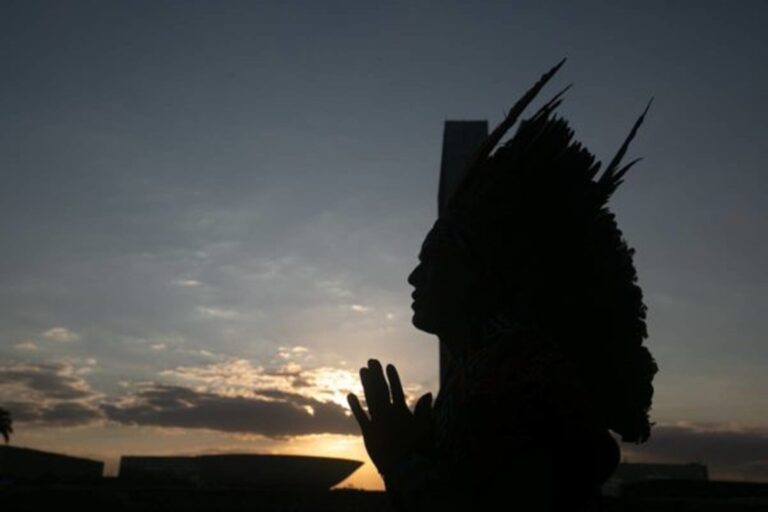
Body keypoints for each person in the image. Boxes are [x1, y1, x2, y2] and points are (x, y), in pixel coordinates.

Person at [347, 60, 658, 511]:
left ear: (480, 274)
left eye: (434, 261)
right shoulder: (490, 370)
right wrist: (422, 455)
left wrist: (401, 463)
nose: (414, 277)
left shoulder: (513, 375)